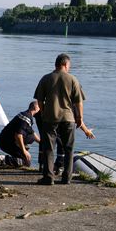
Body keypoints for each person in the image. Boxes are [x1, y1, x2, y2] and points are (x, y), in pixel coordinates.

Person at [34, 53, 84, 185]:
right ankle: (67, 178)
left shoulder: (46, 78)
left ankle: (48, 177)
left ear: (55, 64)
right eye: (69, 66)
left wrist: (44, 112)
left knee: (49, 149)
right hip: (68, 118)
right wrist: (79, 117)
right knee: (69, 149)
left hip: (50, 118)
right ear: (66, 64)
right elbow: (78, 102)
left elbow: (39, 101)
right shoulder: (73, 79)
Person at [0, 101, 40, 168]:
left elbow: (32, 133)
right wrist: (24, 150)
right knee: (25, 161)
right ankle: (1, 158)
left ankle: (4, 163)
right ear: (36, 108)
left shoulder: (25, 115)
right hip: (7, 143)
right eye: (40, 108)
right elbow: (18, 135)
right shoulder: (26, 118)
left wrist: (41, 142)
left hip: (7, 141)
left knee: (27, 163)